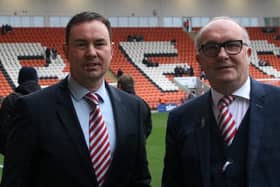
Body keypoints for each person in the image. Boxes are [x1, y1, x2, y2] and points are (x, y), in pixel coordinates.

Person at [1, 11, 151, 187]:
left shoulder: (135, 108)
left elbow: (140, 178)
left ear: (112, 50)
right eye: (81, 44)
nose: (91, 52)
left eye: (99, 43)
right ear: (66, 51)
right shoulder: (32, 109)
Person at [162, 16, 280, 187]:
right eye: (211, 48)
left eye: (232, 45)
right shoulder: (180, 118)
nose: (222, 55)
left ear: (248, 54)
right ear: (199, 60)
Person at [0, 66, 41, 155]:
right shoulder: (45, 99)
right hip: (41, 156)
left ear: (19, 80)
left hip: (15, 154)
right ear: (36, 80)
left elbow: (3, 129)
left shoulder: (11, 100)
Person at [117, 74, 152, 138]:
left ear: (119, 86)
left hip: (122, 144)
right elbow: (148, 127)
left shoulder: (117, 103)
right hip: (140, 142)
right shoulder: (143, 103)